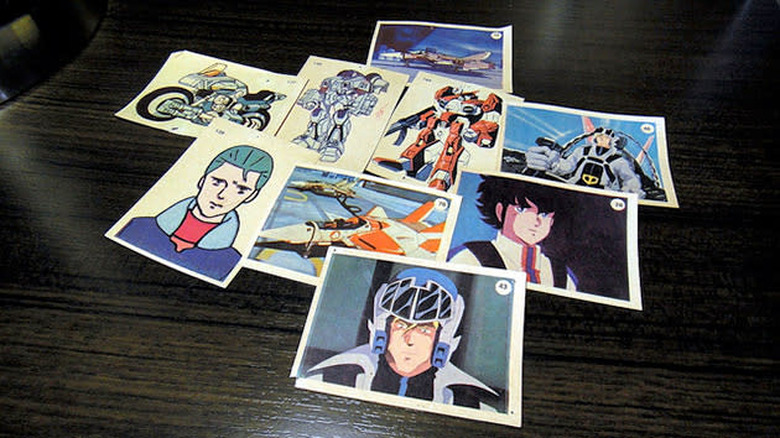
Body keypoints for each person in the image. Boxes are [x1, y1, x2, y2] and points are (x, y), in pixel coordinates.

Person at [305, 268, 499, 410]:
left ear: (444, 338)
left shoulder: (472, 404)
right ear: (382, 329)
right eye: (401, 325)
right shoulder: (327, 378)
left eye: (424, 329)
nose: (409, 340)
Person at [116, 145, 273, 281]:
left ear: (251, 196)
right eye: (217, 182)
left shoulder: (230, 260)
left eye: (241, 189)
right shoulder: (139, 226)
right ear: (202, 180)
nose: (222, 195)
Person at [448, 176, 577, 289]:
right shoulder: (469, 258)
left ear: (552, 221)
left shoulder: (560, 273)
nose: (536, 221)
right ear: (500, 211)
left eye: (544, 215)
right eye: (522, 210)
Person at [525, 127, 645, 197]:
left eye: (606, 138)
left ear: (613, 141)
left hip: (601, 194)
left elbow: (630, 180)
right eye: (600, 137)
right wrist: (553, 162)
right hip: (574, 187)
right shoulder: (582, 151)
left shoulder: (618, 161)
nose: (602, 140)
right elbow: (568, 167)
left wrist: (629, 194)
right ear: (595, 138)